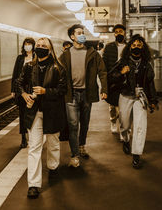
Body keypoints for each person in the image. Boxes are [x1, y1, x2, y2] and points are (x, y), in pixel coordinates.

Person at [15, 37, 67, 199]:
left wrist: (46, 92)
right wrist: (24, 95)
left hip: (52, 111)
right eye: (38, 45)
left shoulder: (59, 68)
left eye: (44, 45)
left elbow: (63, 90)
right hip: (34, 111)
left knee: (53, 142)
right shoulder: (29, 66)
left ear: (50, 49)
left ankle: (53, 167)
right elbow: (18, 83)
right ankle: (33, 184)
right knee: (34, 147)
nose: (40, 47)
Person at [59, 24, 108, 167]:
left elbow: (103, 72)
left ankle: (82, 145)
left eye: (83, 32)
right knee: (73, 124)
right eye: (79, 33)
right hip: (71, 94)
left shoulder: (92, 53)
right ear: (72, 36)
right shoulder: (66, 55)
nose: (82, 35)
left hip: (87, 93)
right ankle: (74, 155)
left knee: (84, 123)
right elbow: (59, 74)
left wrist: (104, 89)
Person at [108, 34, 158, 169]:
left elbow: (150, 83)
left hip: (140, 97)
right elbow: (110, 77)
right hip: (125, 96)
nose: (136, 48)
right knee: (124, 124)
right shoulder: (122, 62)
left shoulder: (146, 65)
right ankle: (125, 139)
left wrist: (153, 100)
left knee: (140, 126)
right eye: (134, 45)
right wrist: (121, 73)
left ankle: (136, 153)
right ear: (130, 47)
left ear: (143, 48)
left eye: (139, 46)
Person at [102, 24, 126, 136]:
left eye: (120, 31)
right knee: (112, 105)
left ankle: (123, 128)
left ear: (124, 32)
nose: (118, 33)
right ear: (114, 34)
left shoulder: (128, 47)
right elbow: (104, 64)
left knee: (123, 106)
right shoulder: (109, 47)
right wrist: (105, 80)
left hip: (124, 80)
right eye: (116, 32)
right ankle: (113, 121)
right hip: (112, 79)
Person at [11, 37, 35, 148]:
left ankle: (33, 136)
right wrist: (13, 89)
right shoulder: (20, 58)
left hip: (33, 89)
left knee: (32, 113)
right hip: (21, 89)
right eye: (26, 44)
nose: (27, 46)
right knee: (22, 114)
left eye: (29, 44)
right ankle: (23, 138)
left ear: (33, 46)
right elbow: (15, 74)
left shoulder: (36, 57)